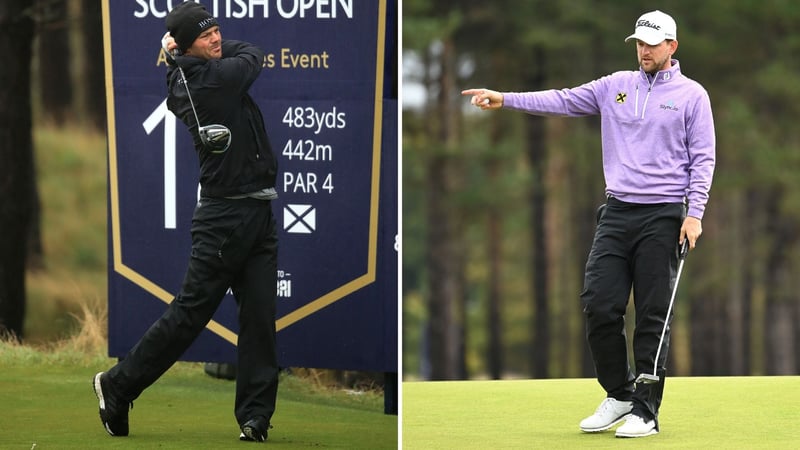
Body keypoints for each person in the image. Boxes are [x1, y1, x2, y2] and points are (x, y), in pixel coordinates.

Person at [462, 10, 715, 438]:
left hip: (665, 214)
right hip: (616, 212)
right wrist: (505, 98)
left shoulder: (692, 96)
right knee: (599, 303)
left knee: (653, 314)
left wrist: (695, 213)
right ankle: (619, 394)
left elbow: (703, 157)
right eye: (639, 42)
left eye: (652, 44)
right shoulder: (613, 86)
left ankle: (646, 411)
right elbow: (560, 100)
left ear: (672, 46)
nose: (644, 50)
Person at [92, 2, 279, 442]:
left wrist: (182, 48)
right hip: (224, 218)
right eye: (207, 35)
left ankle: (255, 418)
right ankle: (117, 384)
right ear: (189, 47)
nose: (217, 38)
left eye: (218, 30)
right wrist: (186, 52)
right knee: (191, 314)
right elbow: (252, 53)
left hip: (257, 213)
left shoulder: (188, 72)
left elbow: (226, 51)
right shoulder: (210, 80)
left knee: (260, 317)